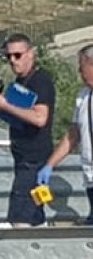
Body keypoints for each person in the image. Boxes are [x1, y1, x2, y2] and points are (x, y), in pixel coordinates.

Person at [0, 33, 55, 227]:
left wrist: (6, 105)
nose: (12, 61)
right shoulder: (19, 82)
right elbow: (20, 114)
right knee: (33, 216)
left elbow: (40, 118)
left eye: (17, 55)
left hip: (34, 159)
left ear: (31, 54)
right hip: (22, 157)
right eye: (8, 56)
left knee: (20, 218)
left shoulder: (40, 80)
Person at [37, 44, 93, 223]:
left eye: (81, 65)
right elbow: (73, 135)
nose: (79, 71)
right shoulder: (84, 97)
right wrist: (50, 165)